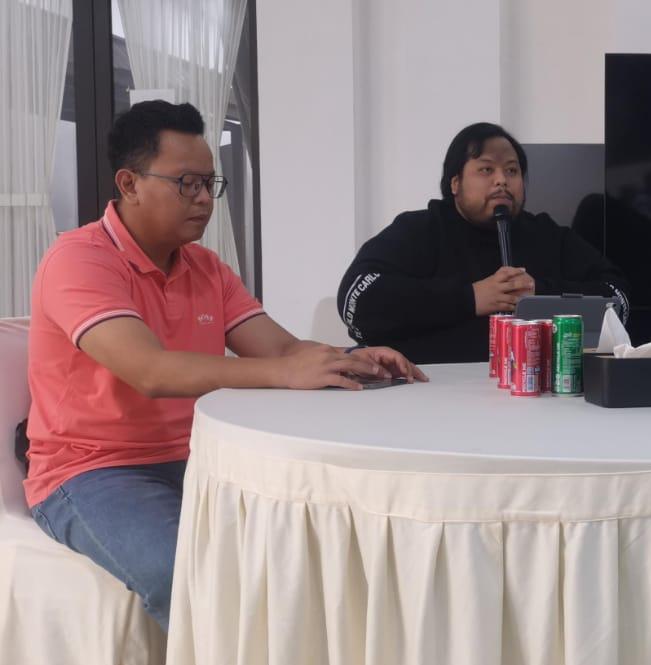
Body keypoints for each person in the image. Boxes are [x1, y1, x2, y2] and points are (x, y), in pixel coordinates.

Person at [23, 101, 424, 632]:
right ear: (129, 183)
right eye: (186, 183)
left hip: (202, 453)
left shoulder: (206, 267)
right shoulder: (79, 260)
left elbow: (280, 350)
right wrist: (286, 374)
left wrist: (349, 359)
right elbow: (150, 371)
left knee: (317, 545)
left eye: (209, 183)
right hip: (94, 471)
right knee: (186, 572)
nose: (204, 199)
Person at [337, 123, 630, 364]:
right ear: (455, 183)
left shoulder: (547, 234)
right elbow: (357, 299)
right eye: (486, 170)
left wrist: (539, 295)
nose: (502, 181)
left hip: (536, 393)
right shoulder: (419, 229)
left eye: (512, 171)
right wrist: (470, 298)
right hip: (428, 390)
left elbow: (618, 298)